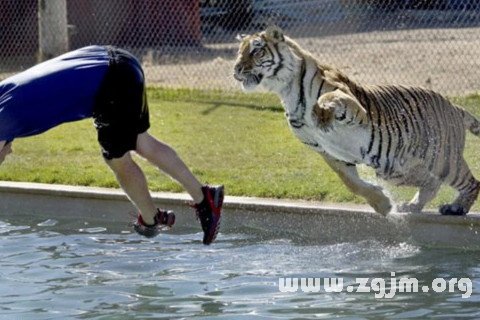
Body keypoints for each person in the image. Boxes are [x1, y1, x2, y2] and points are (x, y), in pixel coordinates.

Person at [0, 46, 223, 245]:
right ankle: (201, 198)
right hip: (115, 61)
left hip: (110, 82)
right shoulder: (4, 94)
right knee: (140, 142)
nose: (8, 153)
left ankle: (152, 218)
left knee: (116, 157)